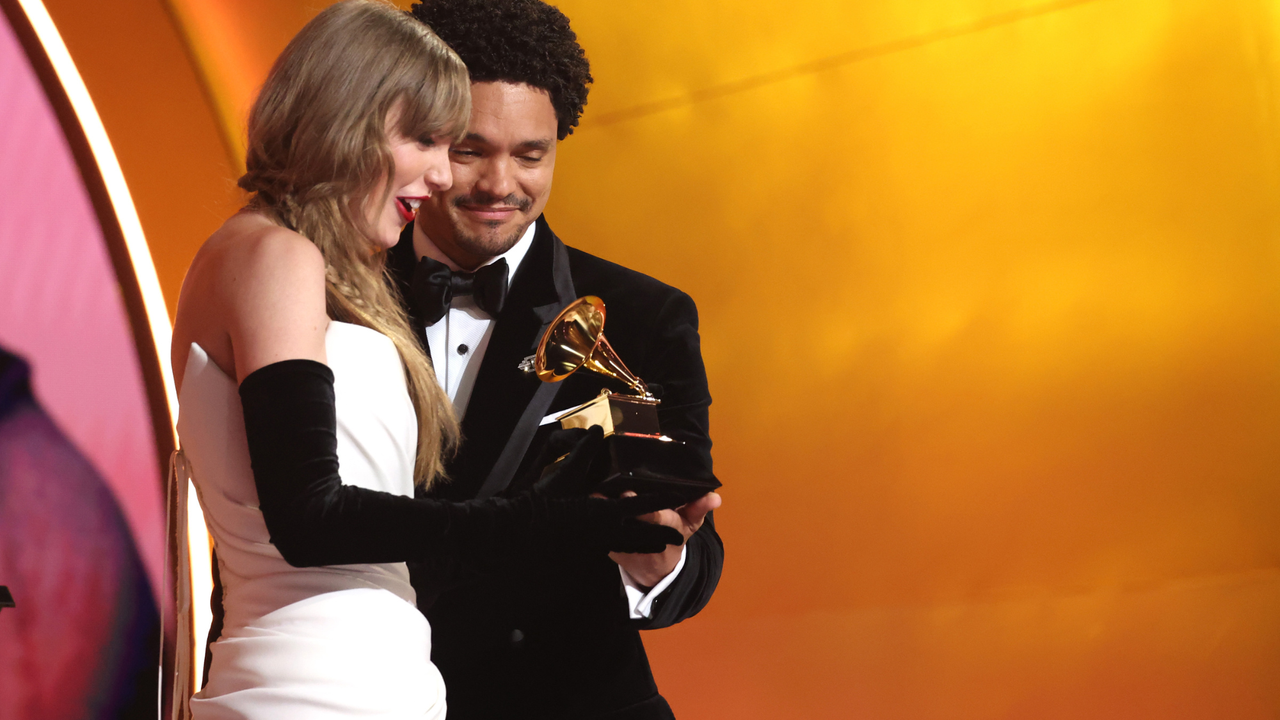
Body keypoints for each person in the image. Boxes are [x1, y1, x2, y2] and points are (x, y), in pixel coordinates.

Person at [171, 2, 683, 717]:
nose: (445, 176)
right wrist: (557, 523)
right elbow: (310, 514)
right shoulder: (277, 256)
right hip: (319, 686)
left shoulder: (283, 260)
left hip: (369, 678)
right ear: (346, 119)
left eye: (527, 153)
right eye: (431, 140)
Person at [391, 2, 725, 717]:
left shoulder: (644, 316)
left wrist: (658, 565)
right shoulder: (322, 294)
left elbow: (694, 561)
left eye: (530, 154)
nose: (499, 185)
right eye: (470, 150)